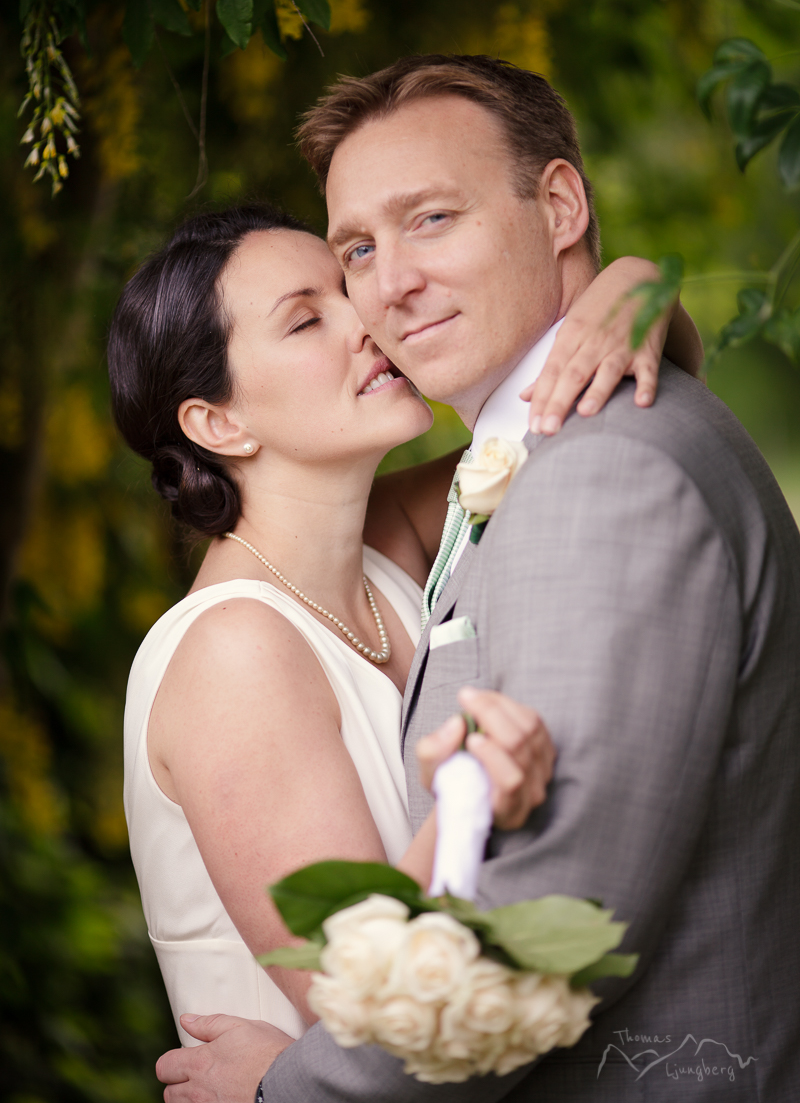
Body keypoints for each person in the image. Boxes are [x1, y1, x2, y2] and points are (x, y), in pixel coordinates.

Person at [157, 56, 800, 1102]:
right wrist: (635, 292)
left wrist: (289, 1092)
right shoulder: (498, 474)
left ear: (556, 205)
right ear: (214, 423)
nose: (384, 289)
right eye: (357, 249)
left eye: (431, 221)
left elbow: (548, 911)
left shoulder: (599, 477)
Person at [110, 203, 693, 1060]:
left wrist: (633, 291)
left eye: (347, 291)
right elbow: (378, 1013)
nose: (368, 320)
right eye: (309, 319)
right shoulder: (233, 652)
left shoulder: (387, 549)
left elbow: (594, 408)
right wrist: (474, 799)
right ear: (218, 423)